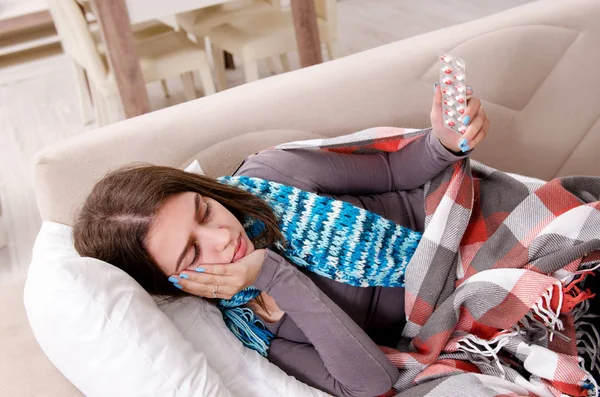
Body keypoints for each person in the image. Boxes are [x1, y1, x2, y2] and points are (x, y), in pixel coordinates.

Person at [73, 83, 490, 397]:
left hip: (476, 226)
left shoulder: (271, 178)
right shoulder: (254, 325)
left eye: (203, 210)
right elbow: (368, 384)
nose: (221, 235)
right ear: (172, 284)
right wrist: (276, 277)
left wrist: (443, 144)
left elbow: (395, 171)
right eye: (192, 252)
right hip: (466, 312)